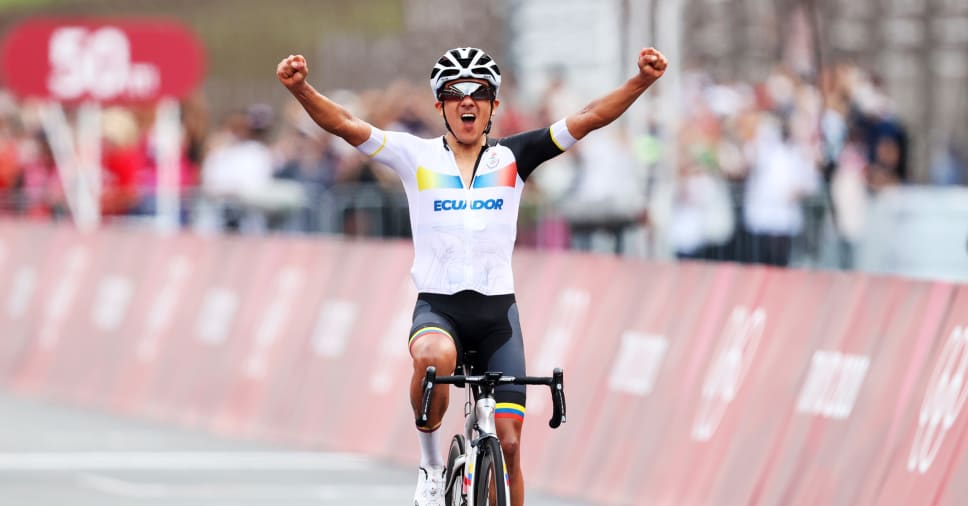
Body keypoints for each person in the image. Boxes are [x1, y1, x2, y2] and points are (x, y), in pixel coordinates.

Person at [277, 45, 667, 506]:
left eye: (478, 92)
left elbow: (588, 117)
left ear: (493, 105)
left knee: (511, 445)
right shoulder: (414, 156)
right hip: (439, 310)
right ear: (440, 105)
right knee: (432, 357)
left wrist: (640, 81)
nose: (467, 101)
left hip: (497, 316)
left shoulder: (516, 157)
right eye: (454, 93)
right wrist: (301, 89)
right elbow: (345, 124)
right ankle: (431, 466)